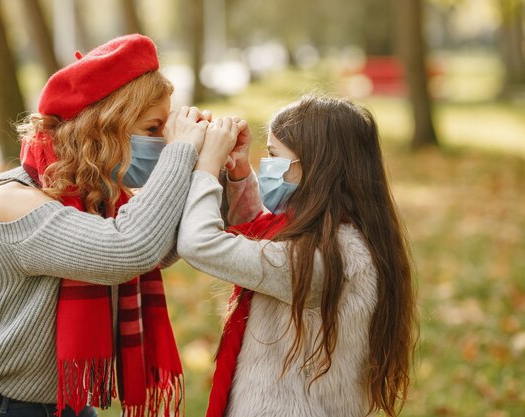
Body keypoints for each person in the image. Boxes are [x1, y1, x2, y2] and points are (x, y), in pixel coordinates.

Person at [0, 34, 260, 417]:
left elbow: (170, 238)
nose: (163, 142)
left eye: (166, 130)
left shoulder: (98, 201)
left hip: (66, 407)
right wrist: (182, 152)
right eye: (152, 129)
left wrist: (226, 169)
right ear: (100, 130)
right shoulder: (8, 200)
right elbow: (127, 250)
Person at [177, 95, 416, 417]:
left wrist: (206, 169)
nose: (268, 167)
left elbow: (200, 244)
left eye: (275, 157)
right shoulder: (339, 240)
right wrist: (239, 173)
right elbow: (266, 238)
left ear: (318, 167)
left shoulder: (322, 263)